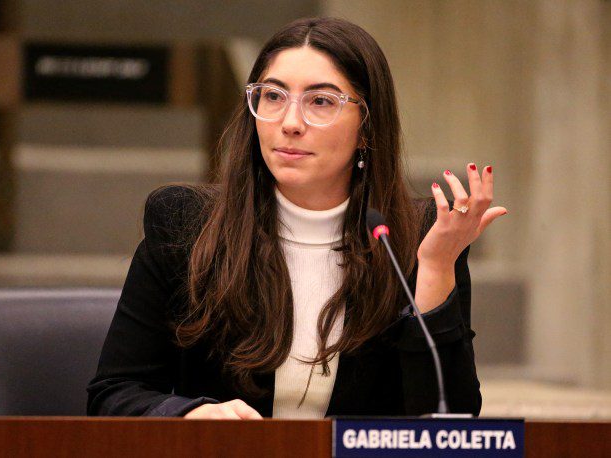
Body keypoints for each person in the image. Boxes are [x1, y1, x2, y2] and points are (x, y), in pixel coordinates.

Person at [87, 16, 506, 420]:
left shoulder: (416, 238)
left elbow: (448, 422)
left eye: (320, 101)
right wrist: (191, 413)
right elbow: (113, 394)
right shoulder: (185, 225)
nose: (289, 123)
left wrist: (434, 269)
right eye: (273, 96)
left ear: (366, 128)